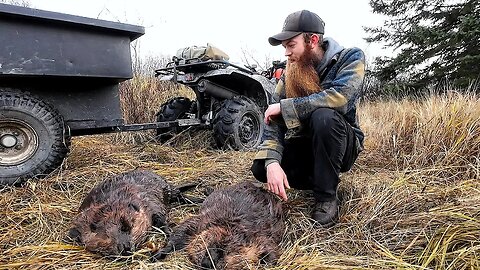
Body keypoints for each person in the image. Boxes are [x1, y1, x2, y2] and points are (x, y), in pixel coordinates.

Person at [251, 10, 365, 227]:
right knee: (260, 167)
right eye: (284, 47)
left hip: (341, 143)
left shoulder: (351, 58)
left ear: (312, 40)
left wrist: (287, 107)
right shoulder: (290, 73)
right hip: (307, 144)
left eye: (291, 45)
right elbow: (273, 121)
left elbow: (339, 98)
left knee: (324, 116)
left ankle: (326, 197)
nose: (286, 53)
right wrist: (273, 162)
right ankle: (320, 175)